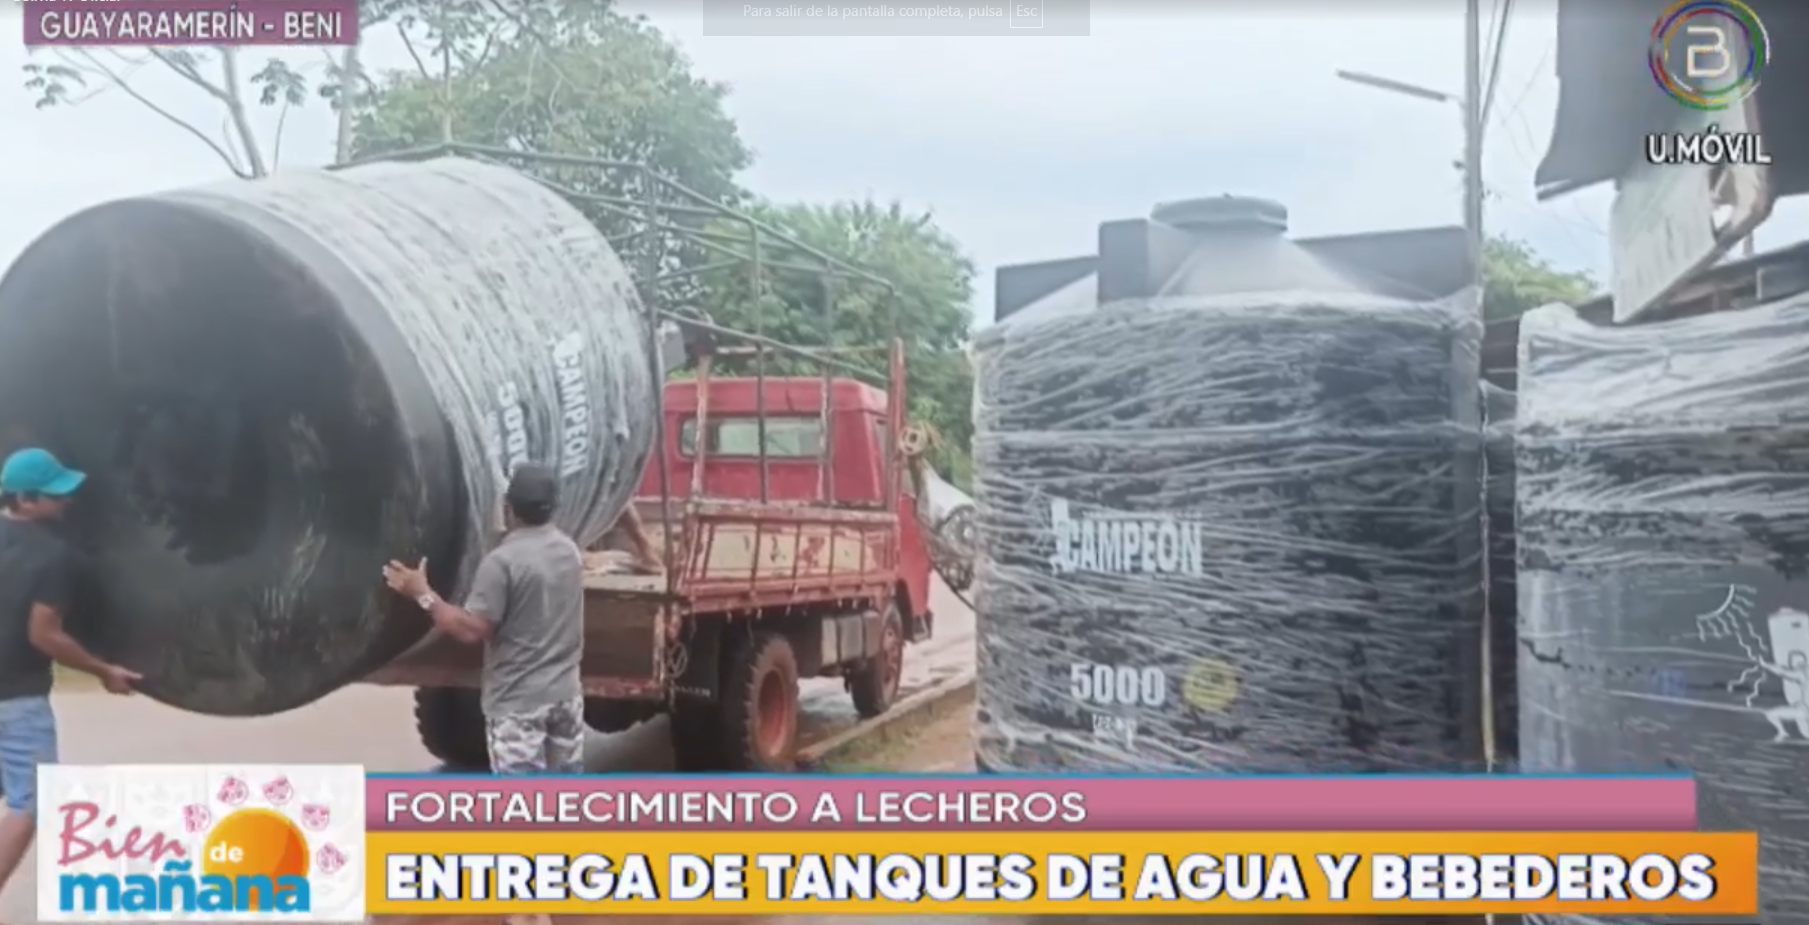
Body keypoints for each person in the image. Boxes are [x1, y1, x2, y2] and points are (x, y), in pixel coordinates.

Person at [382, 463, 586, 775]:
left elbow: (470, 630)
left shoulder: (502, 563)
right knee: (565, 795)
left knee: (519, 808)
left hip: (520, 704)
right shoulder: (569, 551)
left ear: (508, 506)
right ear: (555, 507)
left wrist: (422, 593)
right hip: (565, 697)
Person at [0, 448, 140, 894]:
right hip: (17, 701)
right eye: (55, 495)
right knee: (32, 801)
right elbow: (44, 634)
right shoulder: (55, 557)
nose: (66, 501)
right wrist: (103, 669)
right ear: (23, 499)